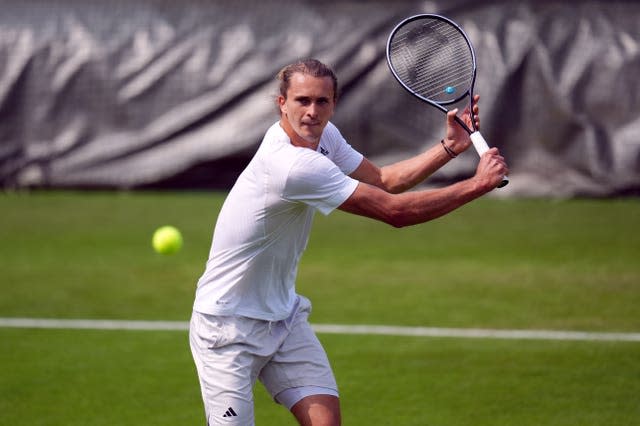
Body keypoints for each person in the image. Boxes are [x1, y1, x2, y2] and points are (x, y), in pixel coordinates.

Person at [189, 58, 508, 426]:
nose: (312, 112)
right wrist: (477, 184)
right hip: (227, 328)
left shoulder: (325, 137)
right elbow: (395, 212)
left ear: (333, 104)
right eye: (302, 101)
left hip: (282, 318)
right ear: (282, 104)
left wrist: (449, 148)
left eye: (322, 102)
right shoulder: (291, 166)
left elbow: (386, 179)